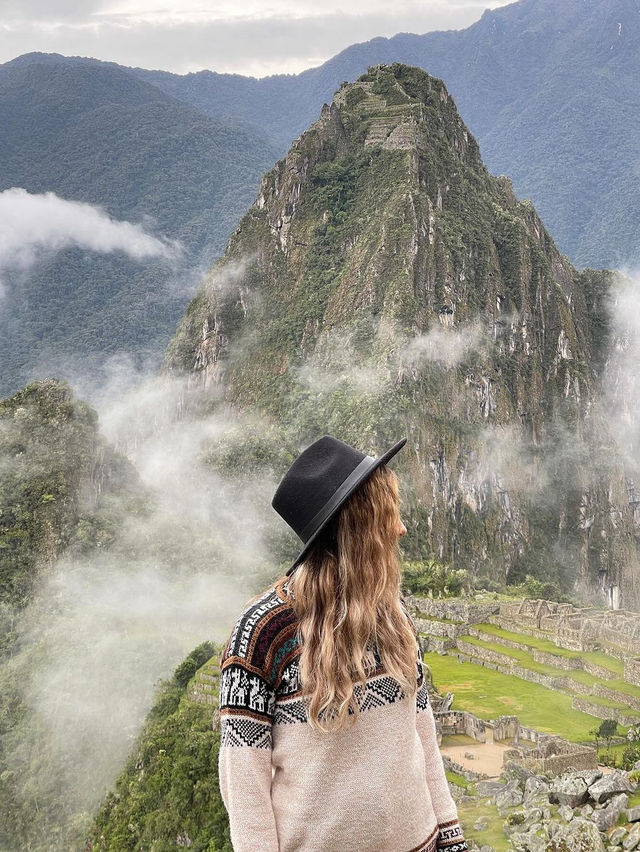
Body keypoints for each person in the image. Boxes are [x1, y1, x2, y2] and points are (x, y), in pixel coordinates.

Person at [217, 434, 469, 852]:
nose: (402, 528)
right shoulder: (262, 632)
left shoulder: (395, 617)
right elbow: (245, 784)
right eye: (389, 514)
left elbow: (421, 733)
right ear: (359, 527)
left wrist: (451, 836)